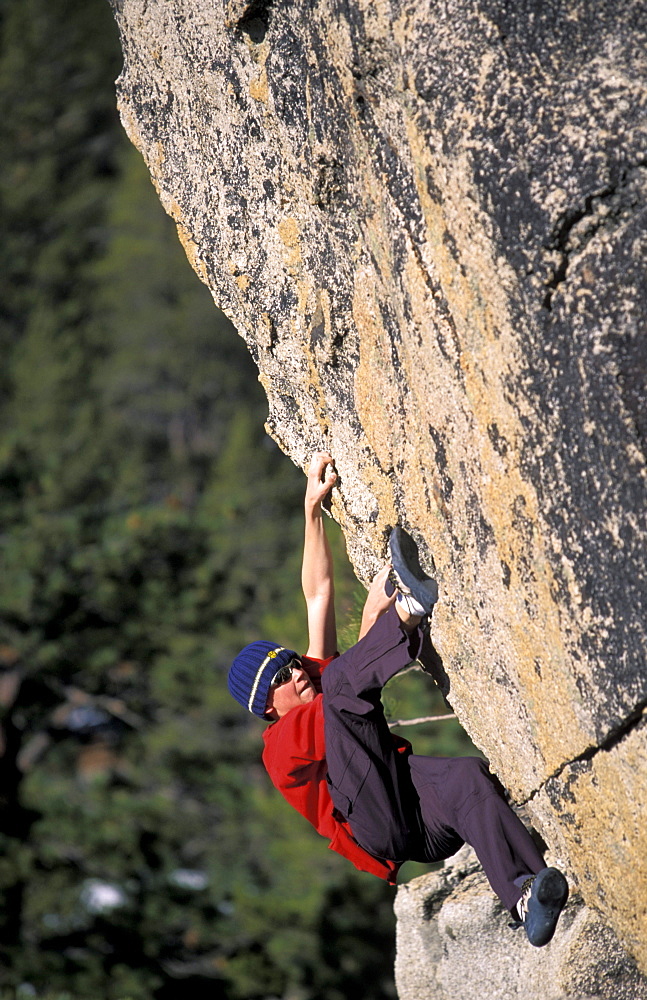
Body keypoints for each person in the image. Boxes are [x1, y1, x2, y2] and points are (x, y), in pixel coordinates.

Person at [227, 451, 569, 947]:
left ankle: (523, 896)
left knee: (467, 778)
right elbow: (346, 691)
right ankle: (409, 612)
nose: (296, 669)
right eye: (281, 674)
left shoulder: (320, 680)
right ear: (267, 707)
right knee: (343, 683)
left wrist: (310, 512)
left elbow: (318, 593)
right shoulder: (279, 749)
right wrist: (381, 615)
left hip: (422, 820)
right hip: (378, 828)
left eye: (291, 660)